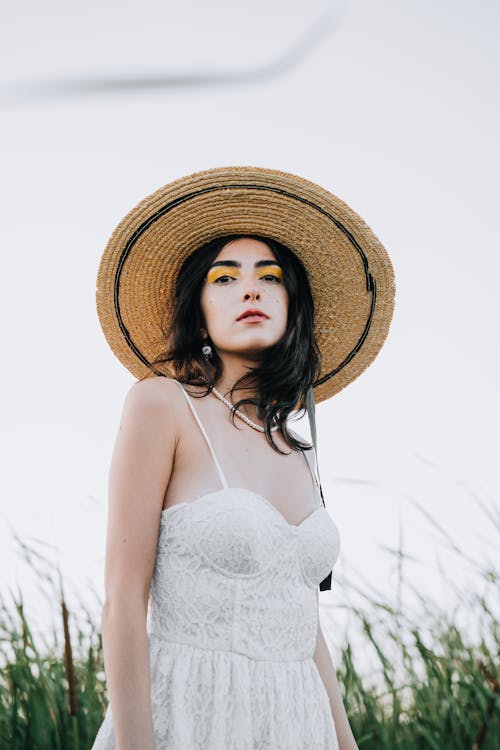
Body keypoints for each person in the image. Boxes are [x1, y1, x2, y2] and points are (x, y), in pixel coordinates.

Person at [91, 166, 396, 750]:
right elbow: (123, 598)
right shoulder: (163, 405)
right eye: (224, 278)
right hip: (192, 715)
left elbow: (305, 632)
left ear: (292, 306)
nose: (251, 290)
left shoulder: (299, 451)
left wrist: (345, 742)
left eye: (271, 277)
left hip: (297, 722)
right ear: (198, 308)